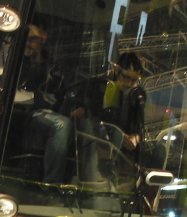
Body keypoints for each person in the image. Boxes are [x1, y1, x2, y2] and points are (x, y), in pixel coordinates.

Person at [60, 52, 165, 184]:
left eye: (133, 80)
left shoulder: (135, 95)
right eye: (126, 77)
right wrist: (121, 134)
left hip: (126, 141)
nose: (129, 83)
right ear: (116, 70)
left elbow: (139, 126)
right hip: (101, 135)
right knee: (115, 134)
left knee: (159, 149)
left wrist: (135, 139)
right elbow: (91, 116)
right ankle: (105, 179)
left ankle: (147, 189)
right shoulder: (97, 85)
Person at [17, 25, 73, 184]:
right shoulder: (17, 62)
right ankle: (52, 184)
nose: (28, 43)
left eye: (32, 39)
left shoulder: (53, 66)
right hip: (25, 111)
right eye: (25, 39)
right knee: (61, 124)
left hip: (51, 111)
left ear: (43, 39)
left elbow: (63, 93)